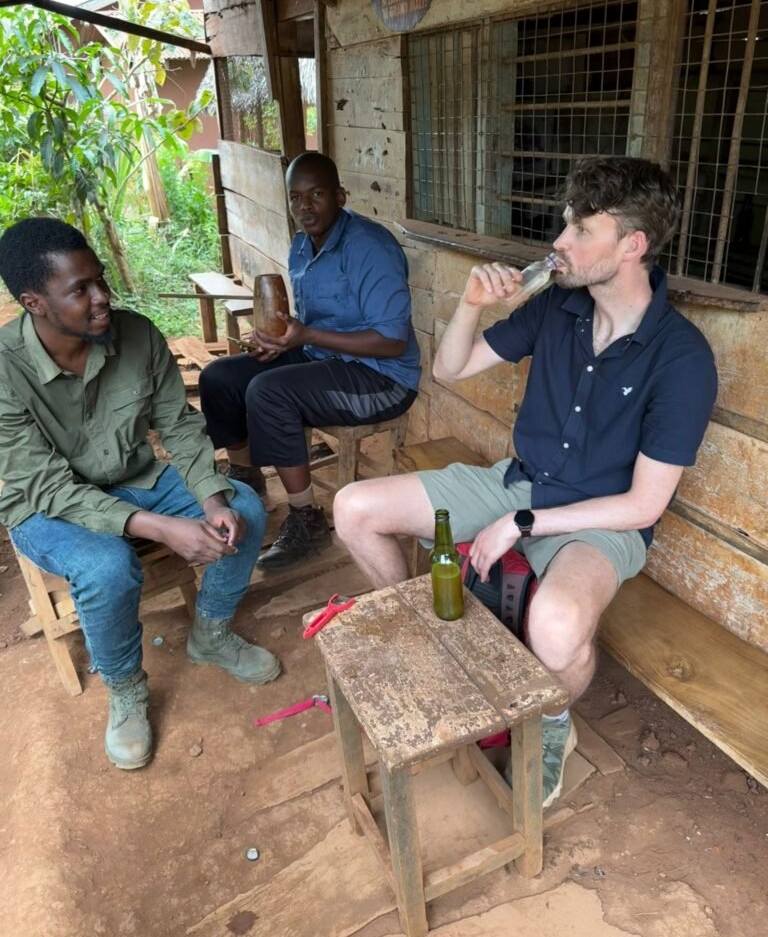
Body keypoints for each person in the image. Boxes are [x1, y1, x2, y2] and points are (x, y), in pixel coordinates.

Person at [333, 157, 718, 807]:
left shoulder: (681, 358)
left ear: (633, 246)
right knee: (353, 507)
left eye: (580, 231)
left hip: (602, 521)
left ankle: (553, 725)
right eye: (565, 224)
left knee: (559, 625)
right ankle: (445, 646)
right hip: (518, 482)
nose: (559, 244)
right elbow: (453, 369)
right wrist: (470, 305)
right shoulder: (558, 308)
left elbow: (645, 503)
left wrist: (526, 523)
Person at [0, 218, 280, 771]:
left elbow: (177, 424)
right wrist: (156, 527)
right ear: (33, 302)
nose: (103, 298)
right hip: (45, 505)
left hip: (135, 477)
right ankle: (126, 687)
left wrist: (210, 499)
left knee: (245, 507)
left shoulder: (137, 333)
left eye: (100, 280)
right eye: (80, 290)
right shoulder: (4, 370)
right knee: (107, 567)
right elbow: (47, 484)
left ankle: (211, 633)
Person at [199, 151, 421, 571]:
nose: (305, 208)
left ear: (339, 195)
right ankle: (247, 483)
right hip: (324, 357)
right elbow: (310, 328)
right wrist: (283, 343)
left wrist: (305, 336)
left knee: (270, 392)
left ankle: (307, 520)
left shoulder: (370, 247)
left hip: (382, 378)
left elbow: (392, 342)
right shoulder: (303, 244)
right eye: (295, 198)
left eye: (316, 195)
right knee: (220, 377)